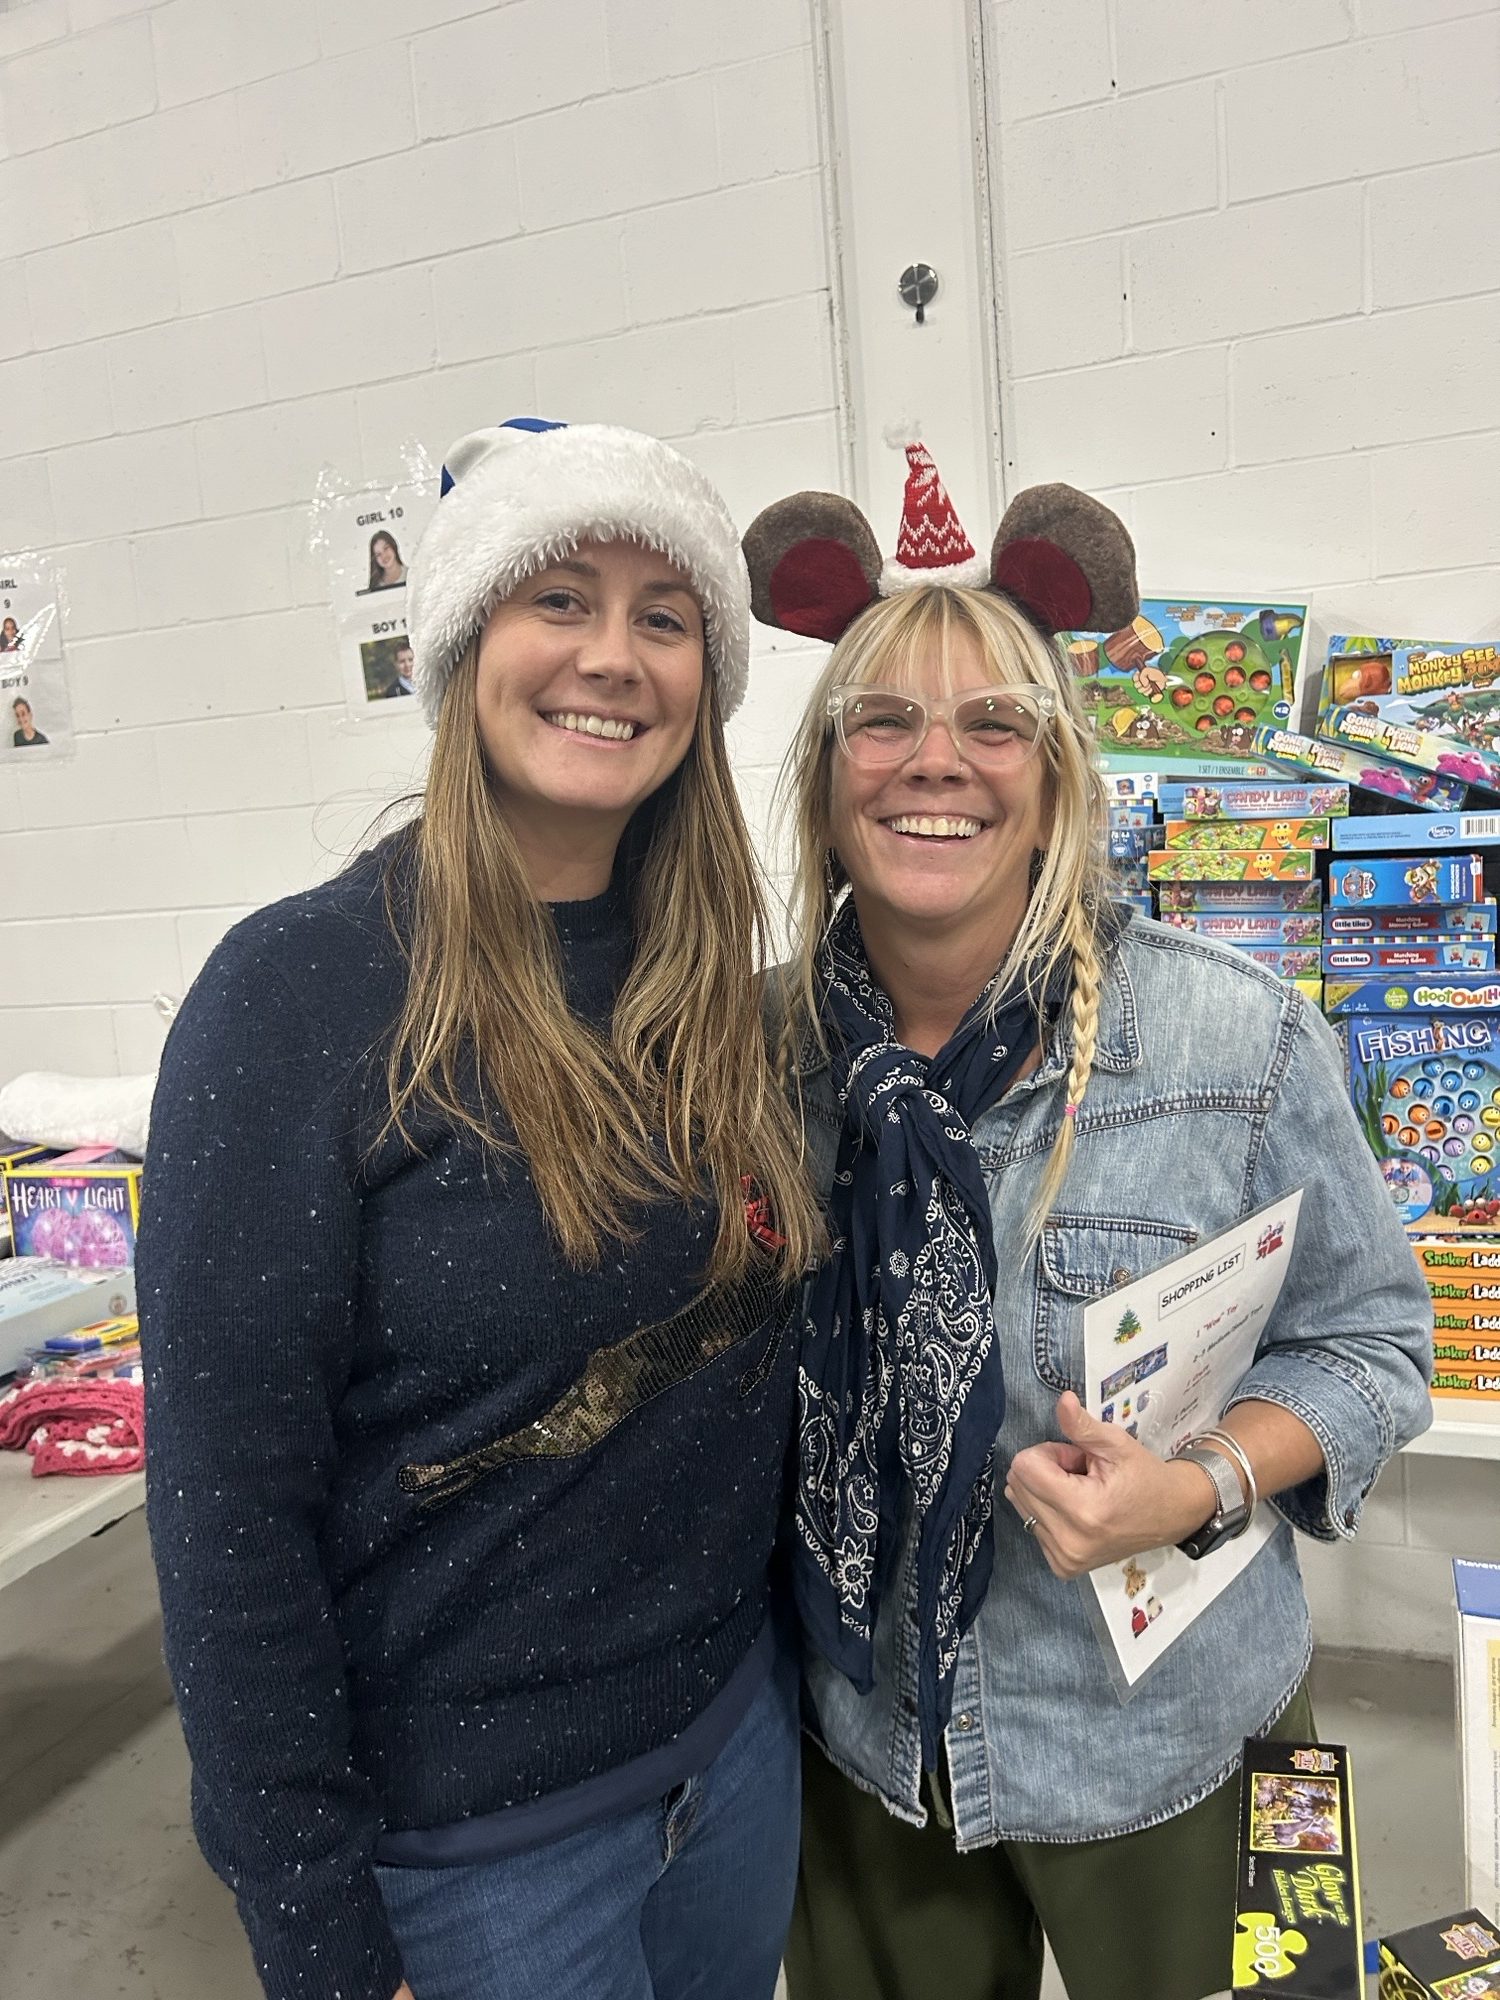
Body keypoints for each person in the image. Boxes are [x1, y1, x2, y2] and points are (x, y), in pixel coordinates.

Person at [141, 418, 822, 2000]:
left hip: (729, 1769)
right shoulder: (296, 997)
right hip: (472, 1867)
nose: (614, 657)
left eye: (666, 618)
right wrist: (309, 1918)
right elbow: (228, 1510)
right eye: (559, 599)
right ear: (462, 645)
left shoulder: (708, 986)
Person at [744, 444, 1433, 2000]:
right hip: (871, 1747)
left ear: (1056, 771)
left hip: (1194, 1727)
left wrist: (1194, 1485)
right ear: (825, 773)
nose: (939, 761)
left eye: (994, 722)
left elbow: (1380, 1345)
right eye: (886, 721)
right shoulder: (749, 1058)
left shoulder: (1234, 1038)